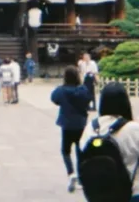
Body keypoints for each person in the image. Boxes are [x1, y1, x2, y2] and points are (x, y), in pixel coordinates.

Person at [79, 82, 139, 202]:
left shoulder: (90, 128)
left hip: (99, 194)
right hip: (132, 193)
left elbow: (83, 155)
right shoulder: (134, 128)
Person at [51, 66, 93, 194]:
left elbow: (54, 99)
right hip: (80, 124)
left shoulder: (61, 90)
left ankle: (71, 172)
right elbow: (88, 100)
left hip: (67, 124)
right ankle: (81, 177)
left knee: (65, 150)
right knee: (80, 151)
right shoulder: (83, 90)